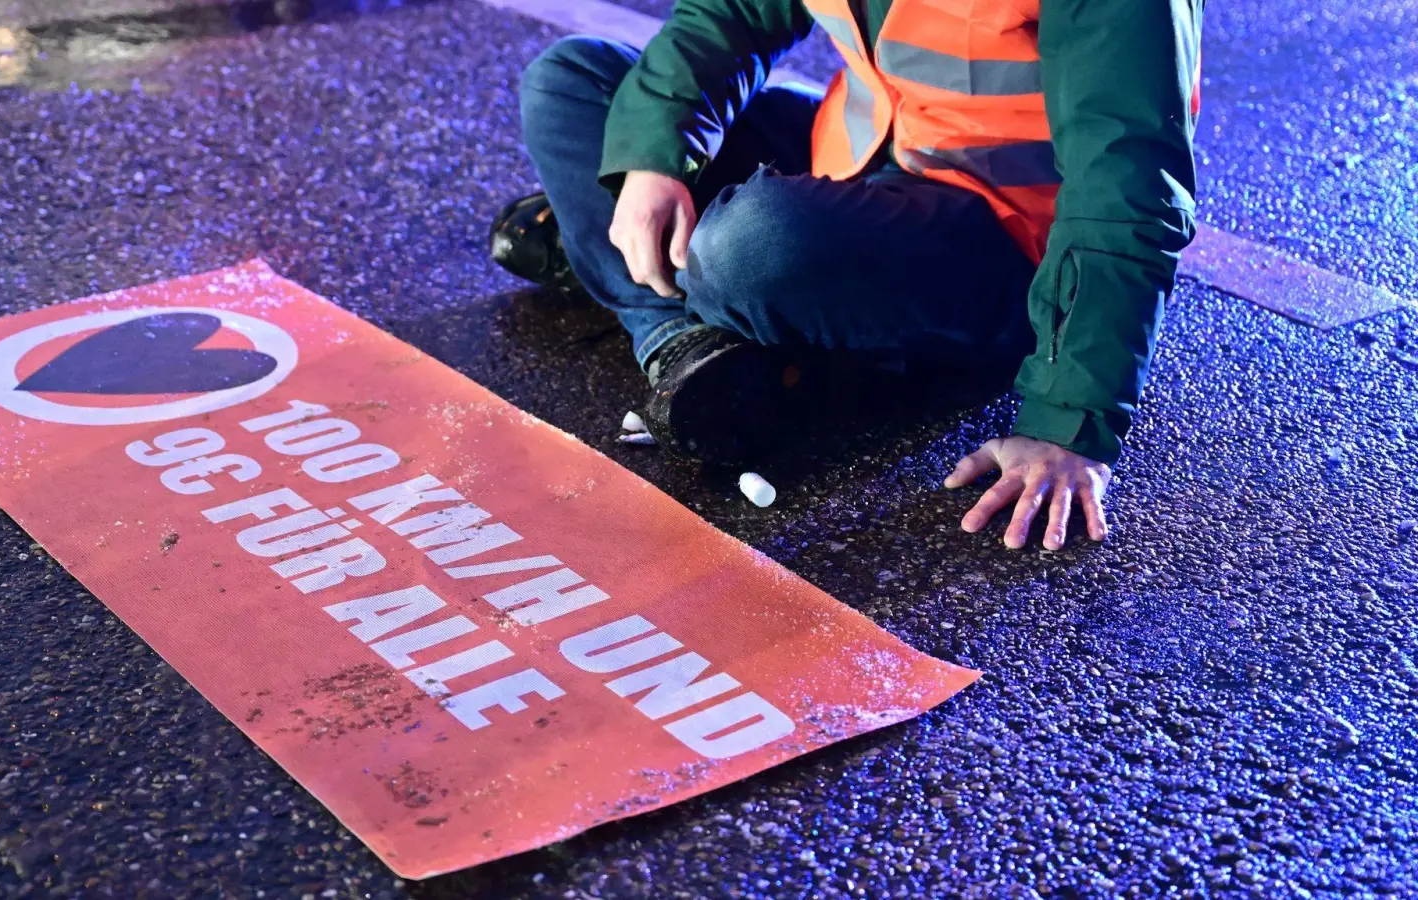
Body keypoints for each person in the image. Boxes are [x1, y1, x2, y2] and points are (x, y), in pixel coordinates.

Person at [489, 0, 1202, 550]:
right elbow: (730, 14)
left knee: (748, 248)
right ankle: (684, 347)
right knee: (575, 83)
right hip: (867, 160)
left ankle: (647, 277)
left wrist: (1068, 422)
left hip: (1012, 244)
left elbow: (1128, 189)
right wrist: (656, 157)